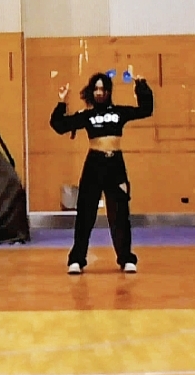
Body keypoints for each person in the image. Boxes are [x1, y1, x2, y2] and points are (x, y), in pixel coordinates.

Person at [50, 72, 153, 275]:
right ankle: (77, 259)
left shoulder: (119, 112)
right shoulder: (87, 115)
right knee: (85, 214)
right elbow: (59, 126)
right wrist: (62, 102)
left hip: (115, 165)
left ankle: (126, 258)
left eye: (102, 89)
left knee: (120, 214)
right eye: (96, 89)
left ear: (108, 91)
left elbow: (146, 110)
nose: (99, 93)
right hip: (94, 165)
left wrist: (141, 85)